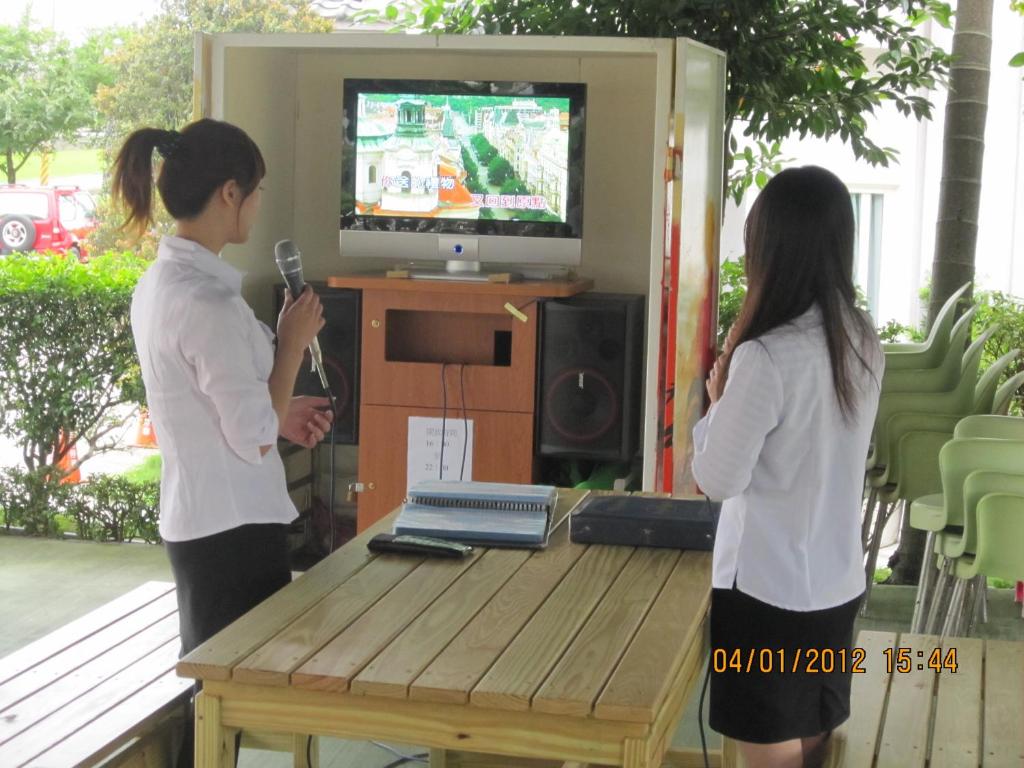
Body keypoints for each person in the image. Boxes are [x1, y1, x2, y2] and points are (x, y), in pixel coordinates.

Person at [111, 118, 333, 765]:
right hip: (229, 532)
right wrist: (290, 347)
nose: (259, 205)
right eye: (258, 189)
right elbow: (253, 434)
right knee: (217, 709)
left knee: (217, 705)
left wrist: (282, 410)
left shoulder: (166, 284)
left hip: (207, 519)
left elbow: (217, 409)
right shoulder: (203, 300)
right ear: (230, 193)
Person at [692, 166, 883, 768]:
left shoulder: (765, 356)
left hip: (766, 594)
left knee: (771, 755)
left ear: (768, 250)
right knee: (811, 745)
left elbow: (717, 480)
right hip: (836, 585)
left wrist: (718, 402)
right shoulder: (861, 338)